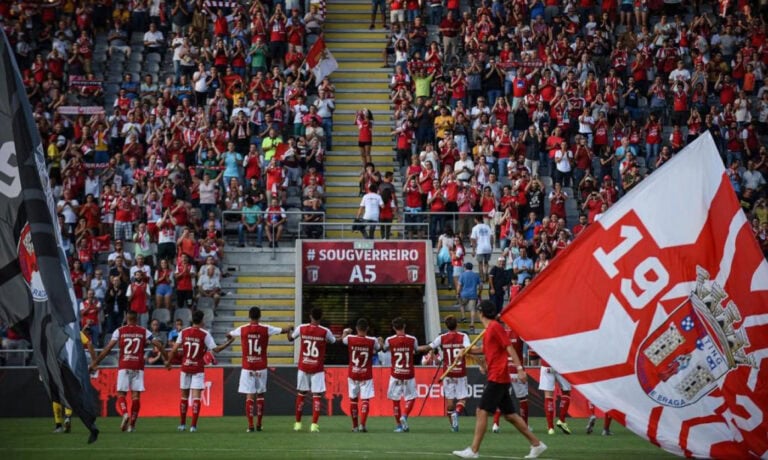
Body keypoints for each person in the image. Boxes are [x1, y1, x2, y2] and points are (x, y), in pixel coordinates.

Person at [453, 301, 546, 459]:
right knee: (510, 415)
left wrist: (520, 369)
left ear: (481, 313)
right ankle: (537, 444)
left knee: (481, 411)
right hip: (496, 375)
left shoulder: (495, 327)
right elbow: (485, 349)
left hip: (498, 375)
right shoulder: (490, 329)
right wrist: (467, 351)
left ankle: (473, 450)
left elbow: (509, 347)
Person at [89, 310, 167, 432]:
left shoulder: (119, 331)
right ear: (136, 318)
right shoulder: (144, 331)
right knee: (136, 397)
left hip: (124, 365)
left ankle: (125, 414)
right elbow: (159, 345)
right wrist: (167, 359)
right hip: (138, 366)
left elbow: (108, 348)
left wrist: (96, 362)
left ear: (126, 318)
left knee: (121, 394)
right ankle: (132, 426)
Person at [224, 306, 291, 432]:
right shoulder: (266, 328)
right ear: (260, 316)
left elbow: (228, 334)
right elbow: (283, 330)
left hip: (247, 367)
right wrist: (289, 327)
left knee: (249, 396)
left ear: (249, 316)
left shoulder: (242, 329)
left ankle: (250, 425)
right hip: (261, 367)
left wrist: (230, 337)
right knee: (260, 395)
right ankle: (259, 424)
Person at [166, 310, 232, 432]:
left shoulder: (183, 332)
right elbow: (216, 350)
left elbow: (174, 349)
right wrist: (229, 342)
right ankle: (193, 426)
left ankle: (182, 425)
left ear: (192, 319)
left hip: (185, 367)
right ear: (202, 320)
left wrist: (168, 362)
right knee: (196, 397)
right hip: (198, 369)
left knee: (184, 397)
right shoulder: (205, 334)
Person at [419, 315, 470, 432]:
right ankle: (457, 413)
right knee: (462, 399)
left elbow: (428, 347)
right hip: (460, 372)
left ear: (446, 326)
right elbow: (468, 349)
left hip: (448, 373)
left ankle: (453, 426)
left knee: (450, 403)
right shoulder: (463, 336)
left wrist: (415, 348)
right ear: (457, 324)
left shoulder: (442, 337)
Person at [289, 307, 337, 432]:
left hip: (304, 366)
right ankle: (314, 425)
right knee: (317, 396)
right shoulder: (325, 331)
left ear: (310, 316)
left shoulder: (301, 328)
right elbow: (333, 341)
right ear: (321, 317)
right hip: (317, 368)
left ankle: (298, 424)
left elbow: (290, 338)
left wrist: (289, 330)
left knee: (301, 394)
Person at [52, 329, 97, 434]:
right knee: (68, 393)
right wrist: (94, 361)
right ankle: (67, 417)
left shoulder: (52, 331)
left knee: (56, 394)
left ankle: (58, 425)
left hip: (56, 365)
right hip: (70, 367)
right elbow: (89, 343)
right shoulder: (73, 331)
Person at [341, 318, 381, 432]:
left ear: (356, 328)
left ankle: (354, 426)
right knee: (365, 400)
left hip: (353, 373)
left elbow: (343, 339)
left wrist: (345, 331)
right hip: (366, 374)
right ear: (367, 328)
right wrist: (380, 341)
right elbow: (379, 348)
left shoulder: (350, 338)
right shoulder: (372, 340)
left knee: (353, 400)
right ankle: (362, 425)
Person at [492, 322, 530, 433]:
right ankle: (524, 425)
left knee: (501, 397)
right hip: (516, 369)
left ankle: (495, 424)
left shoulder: (501, 333)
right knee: (523, 398)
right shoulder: (519, 333)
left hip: (504, 369)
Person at [384, 316, 418, 433]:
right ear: (404, 326)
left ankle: (398, 425)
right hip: (409, 373)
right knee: (411, 397)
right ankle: (404, 415)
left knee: (395, 400)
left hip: (396, 374)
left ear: (394, 328)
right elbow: (416, 350)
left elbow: (384, 349)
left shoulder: (389, 340)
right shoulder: (412, 339)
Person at [539, 357, 573, 435]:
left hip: (546, 365)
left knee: (548, 396)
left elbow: (533, 357)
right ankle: (561, 420)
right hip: (562, 364)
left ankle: (550, 428)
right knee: (566, 392)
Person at [456, 262, 482, 332]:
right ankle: (472, 324)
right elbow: (480, 285)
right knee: (472, 309)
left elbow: (459, 285)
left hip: (464, 294)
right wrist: (479, 293)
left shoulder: (462, 275)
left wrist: (458, 293)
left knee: (461, 305)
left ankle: (463, 316)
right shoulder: (476, 275)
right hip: (473, 294)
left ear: (465, 268)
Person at [470, 215, 493, 281]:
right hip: (488, 247)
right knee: (486, 262)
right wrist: (491, 246)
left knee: (480, 263)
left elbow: (473, 239)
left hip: (480, 248)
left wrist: (473, 250)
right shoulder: (487, 226)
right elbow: (491, 237)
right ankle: (486, 275)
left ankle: (481, 277)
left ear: (476, 220)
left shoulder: (475, 228)